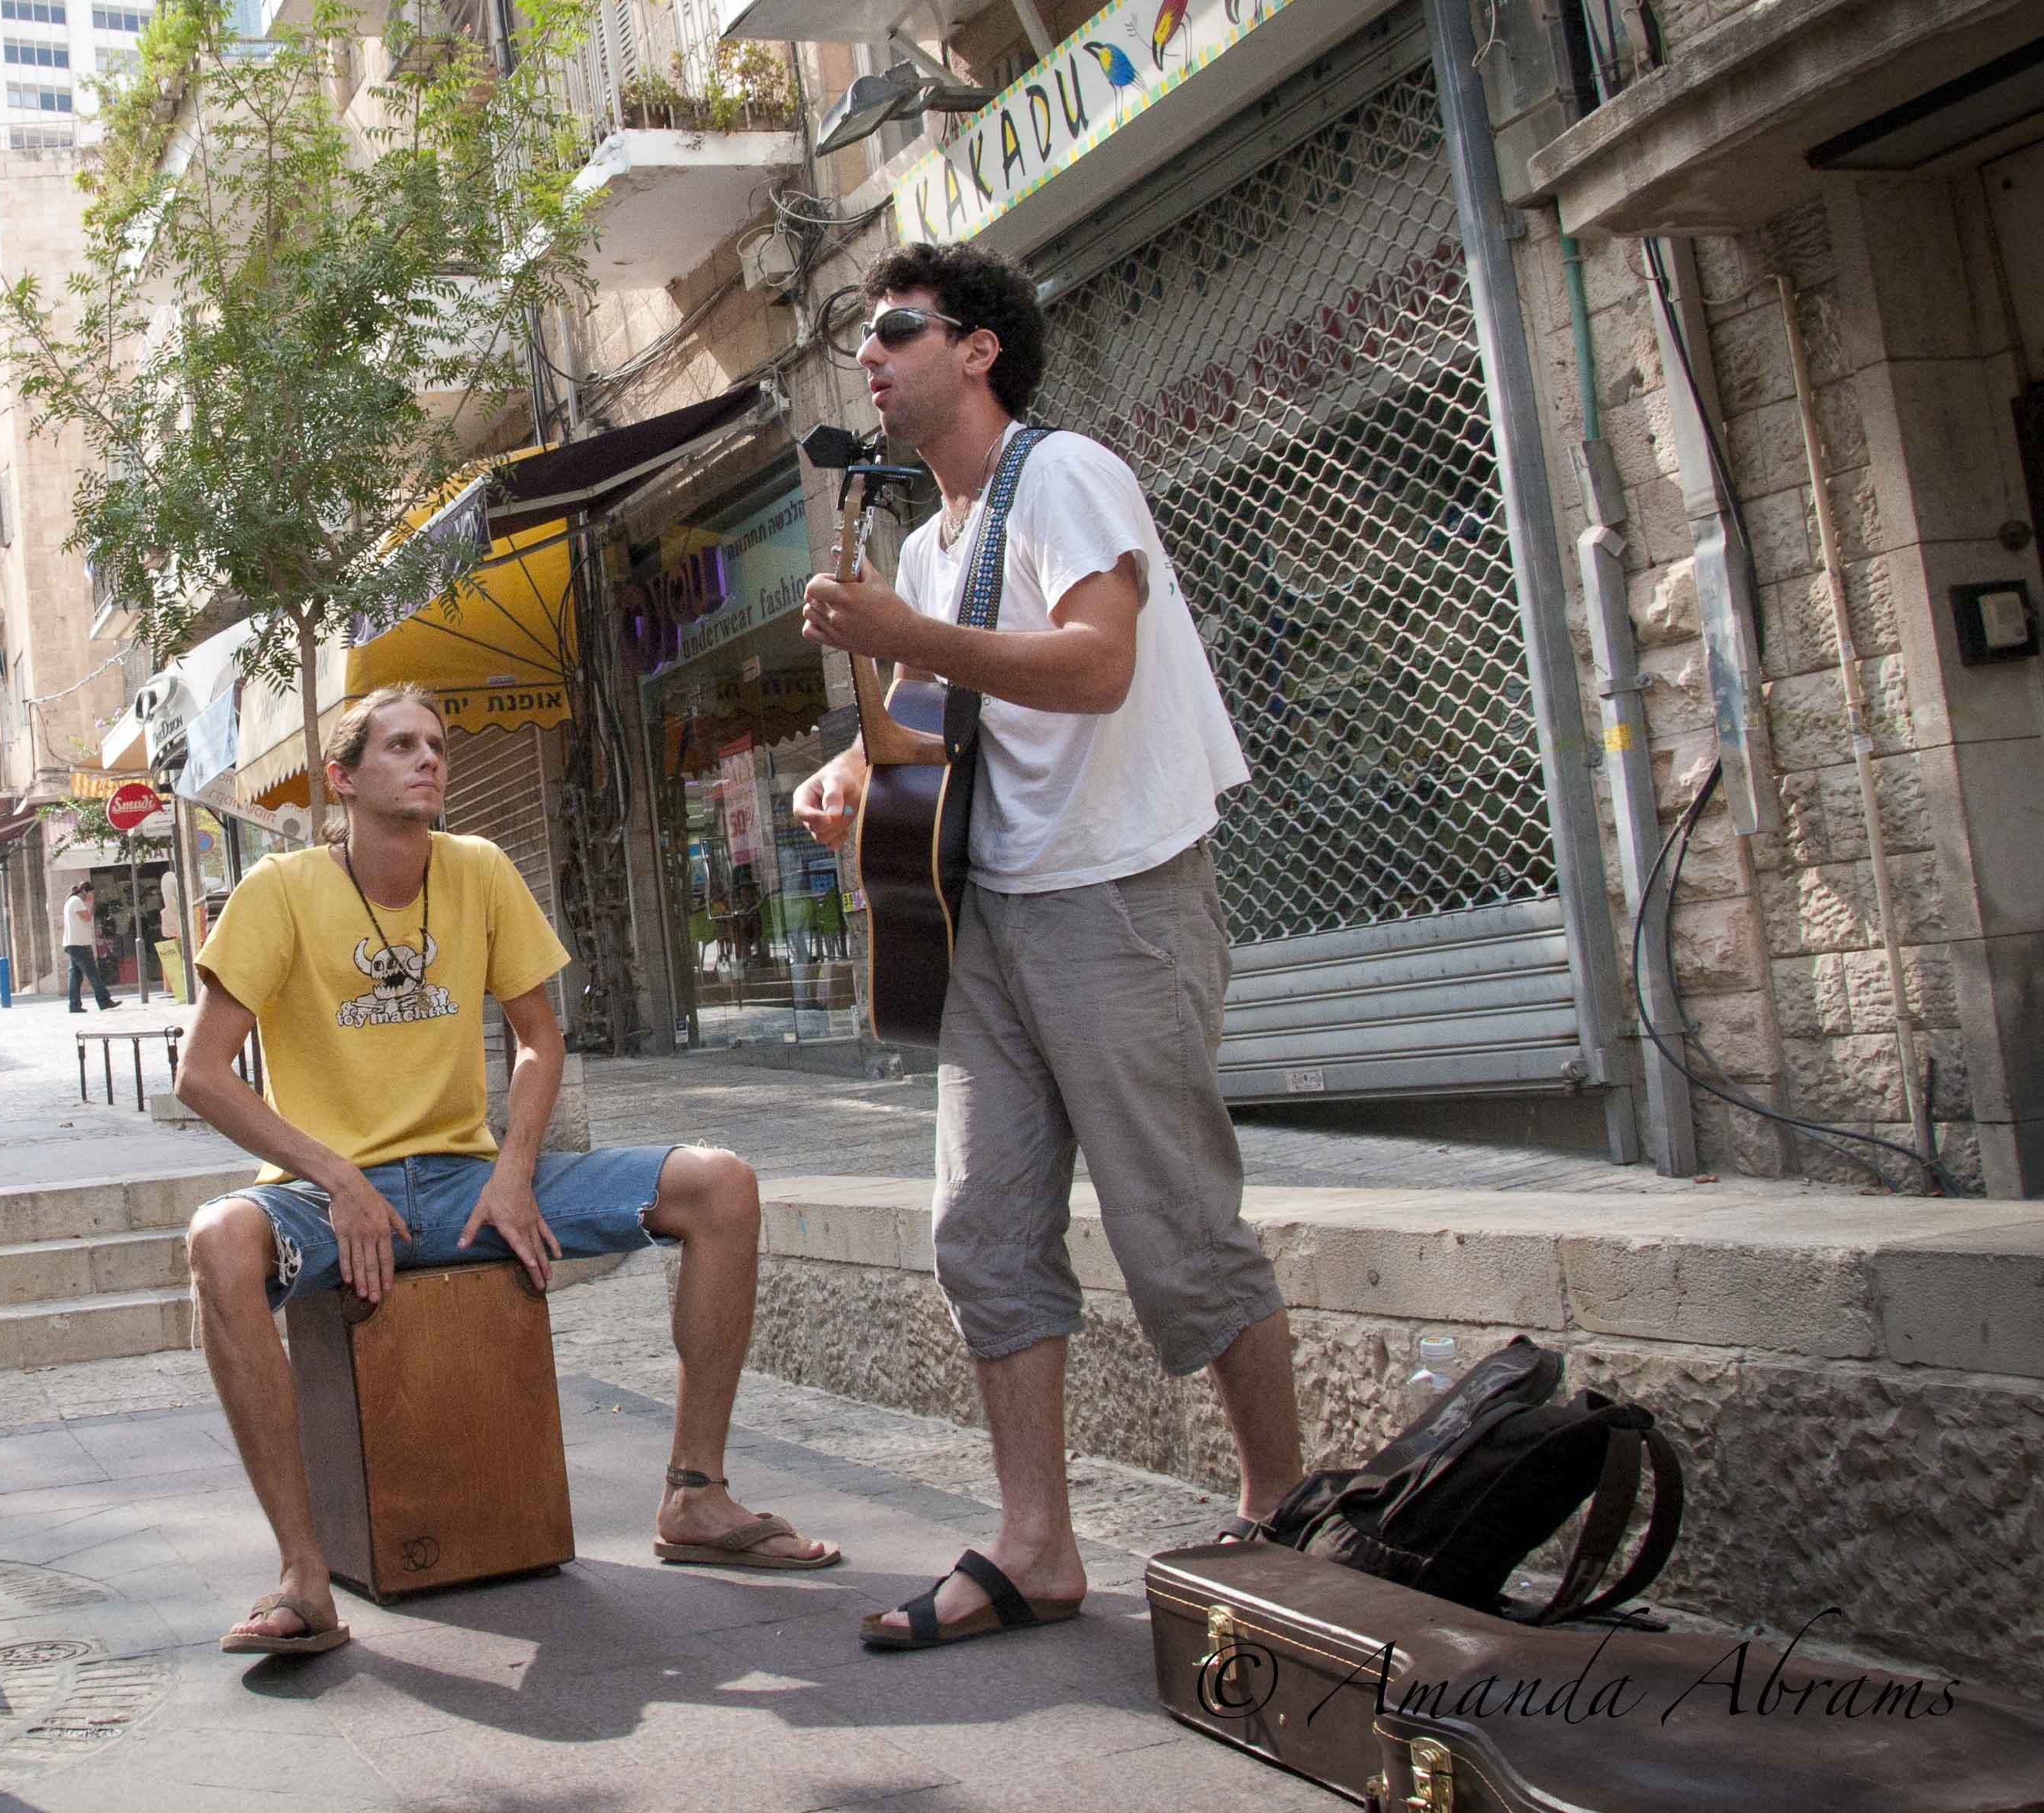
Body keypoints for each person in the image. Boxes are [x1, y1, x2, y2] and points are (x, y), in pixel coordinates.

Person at [790, 240, 1301, 1653]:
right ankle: (1036, 1543)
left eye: (897, 329)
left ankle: (1285, 1509)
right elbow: (922, 734)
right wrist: (847, 770)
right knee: (980, 1228)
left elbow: (1096, 663)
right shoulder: (925, 543)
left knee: (1175, 1226)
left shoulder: (1064, 474)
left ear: (977, 349)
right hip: (989, 910)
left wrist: (907, 637)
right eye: (863, 341)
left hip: (1118, 890)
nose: (871, 357)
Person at [176, 685, 839, 1660]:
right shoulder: (278, 891)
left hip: (466, 1183)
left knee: (722, 1184)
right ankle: (303, 1576)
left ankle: (695, 1497)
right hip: (324, 1198)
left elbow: (538, 1039)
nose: (428, 759)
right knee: (216, 1240)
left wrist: (517, 1168)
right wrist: (335, 1175)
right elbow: (200, 1072)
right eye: (400, 745)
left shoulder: (480, 870)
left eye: (437, 745)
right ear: (343, 778)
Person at [59, 883, 112, 1014]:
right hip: (80, 944)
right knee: (93, 973)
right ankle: (104, 1001)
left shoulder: (70, 901)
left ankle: (74, 1005)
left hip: (73, 944)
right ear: (85, 892)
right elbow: (87, 918)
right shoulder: (76, 901)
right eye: (90, 893)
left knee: (75, 976)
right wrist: (90, 901)